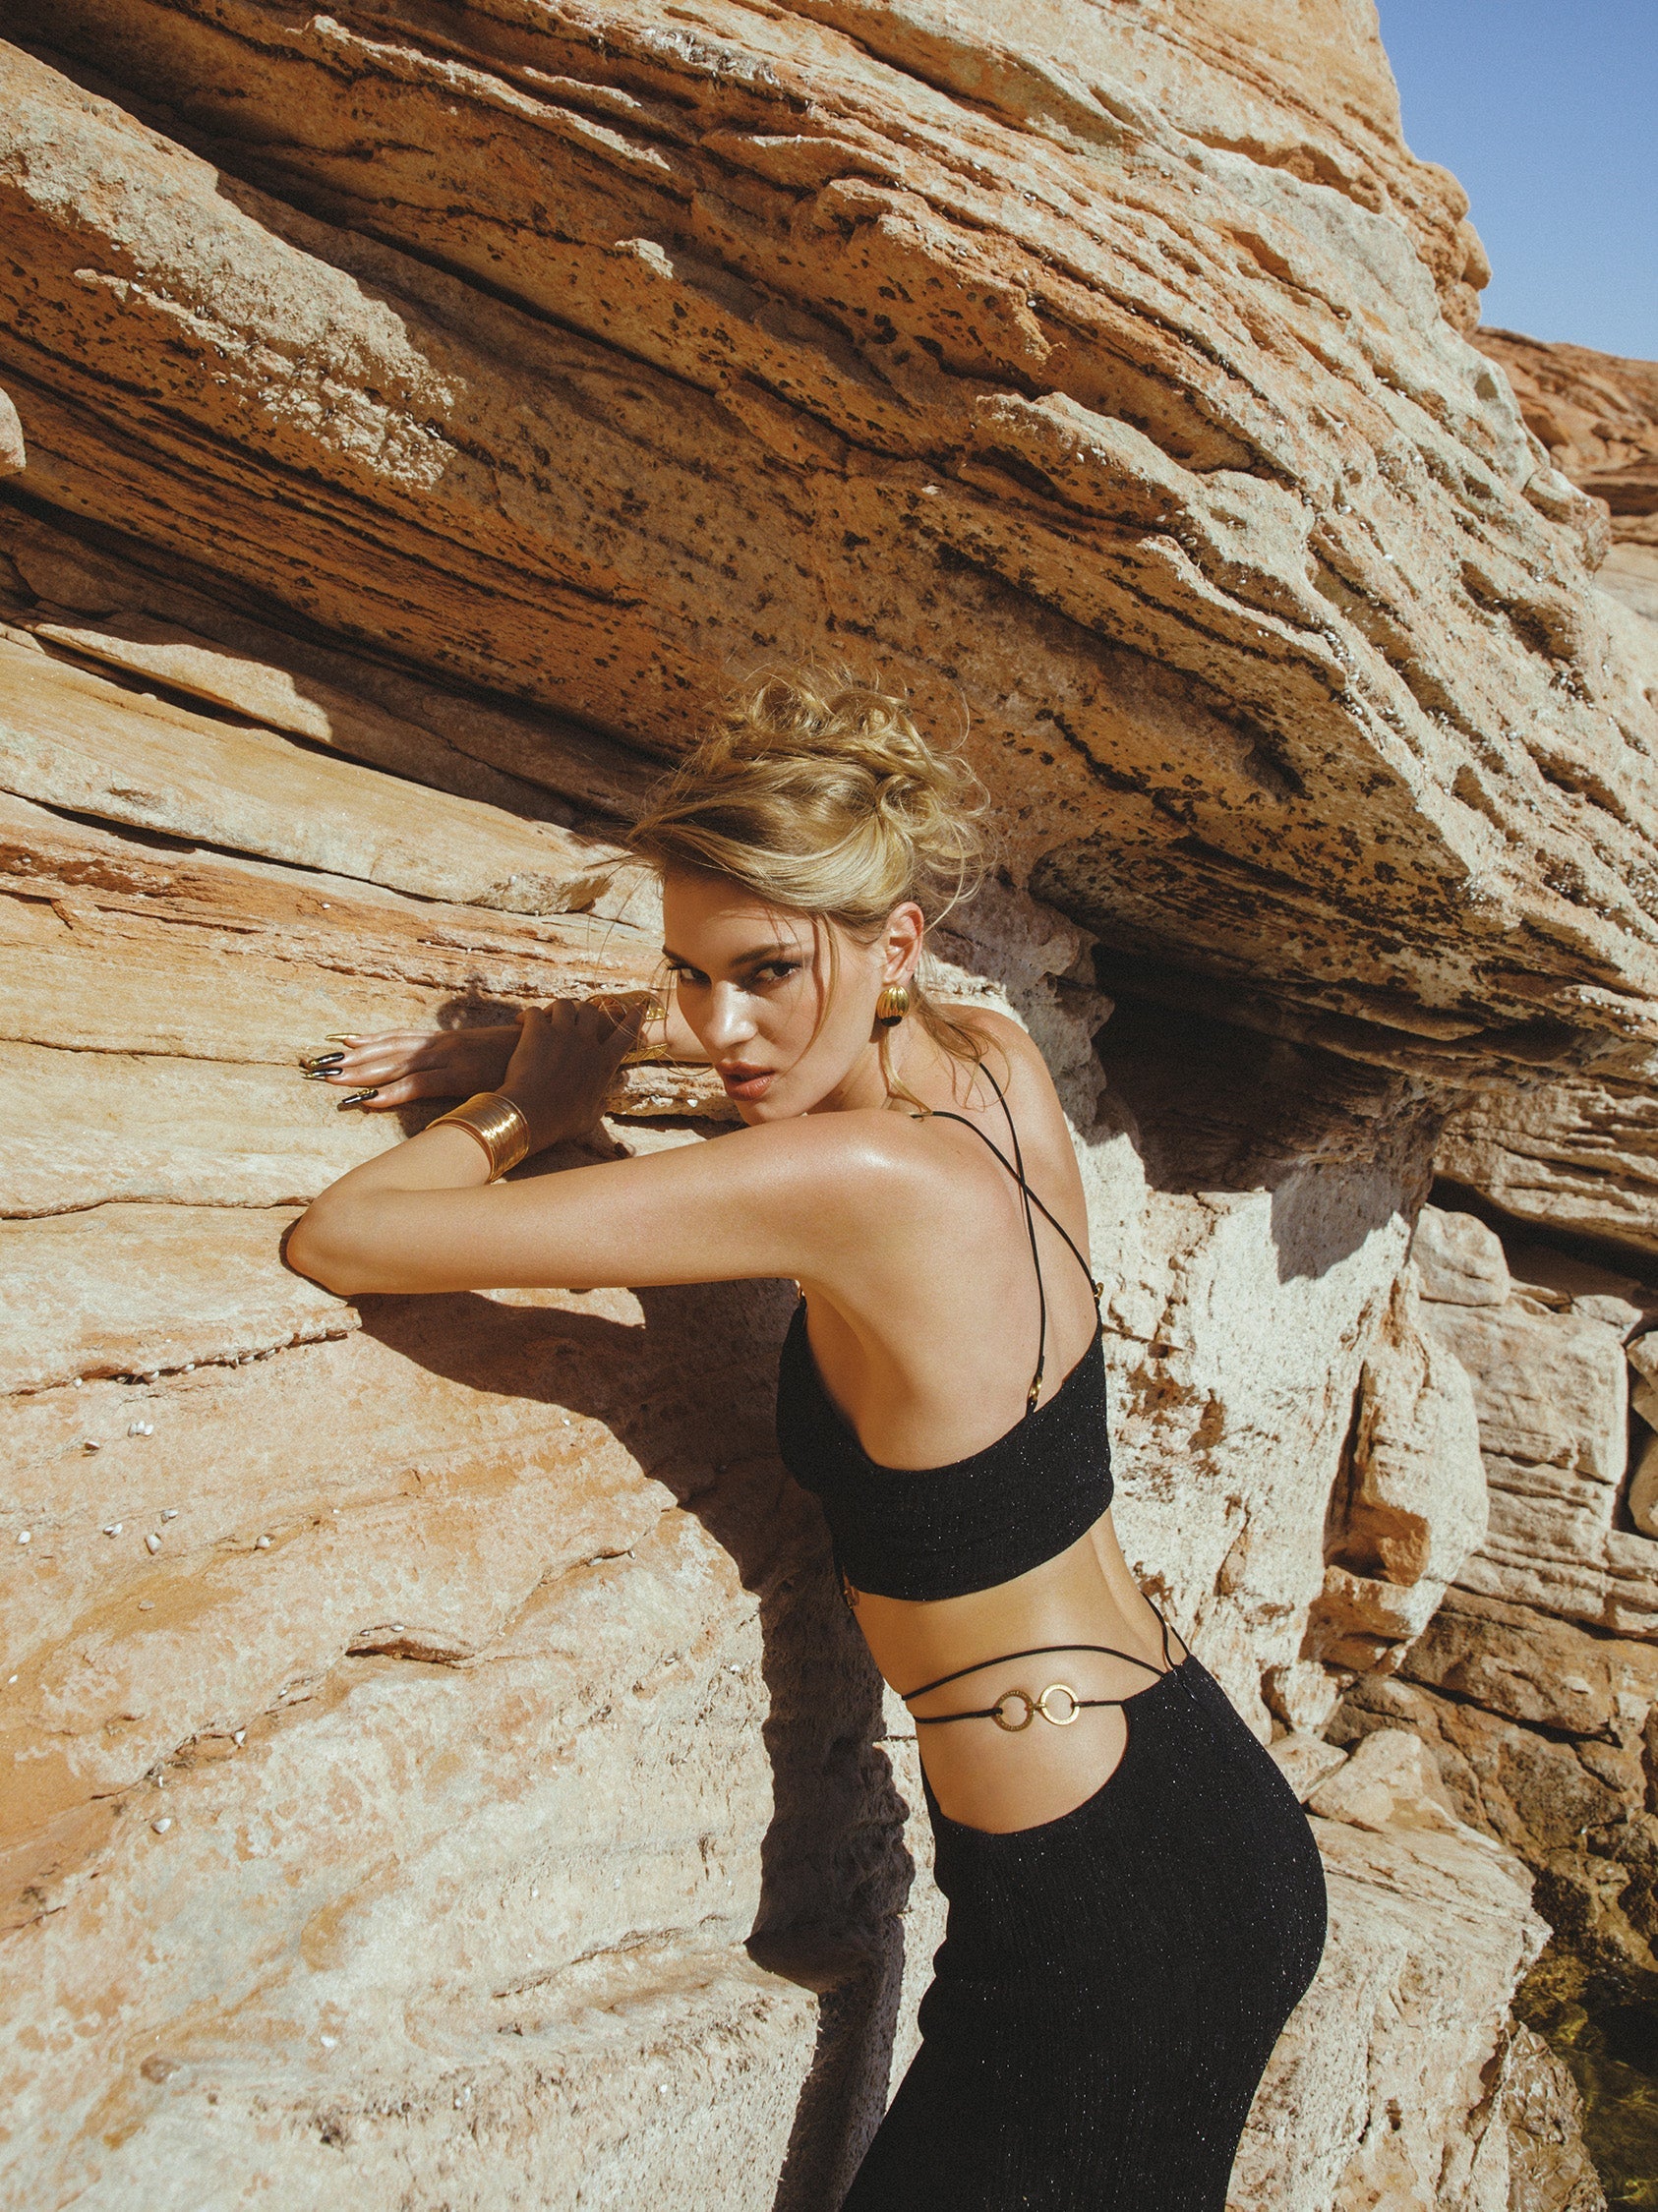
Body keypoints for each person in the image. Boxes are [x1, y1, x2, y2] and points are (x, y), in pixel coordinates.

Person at [287, 666, 1327, 2209]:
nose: (720, 1027)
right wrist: (592, 1052)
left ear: (893, 943)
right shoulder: (991, 1062)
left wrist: (517, 1109)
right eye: (689, 977)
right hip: (1193, 1806)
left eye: (765, 970)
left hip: (1097, 1913)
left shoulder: (852, 1185)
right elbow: (792, 1081)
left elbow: (349, 1236)